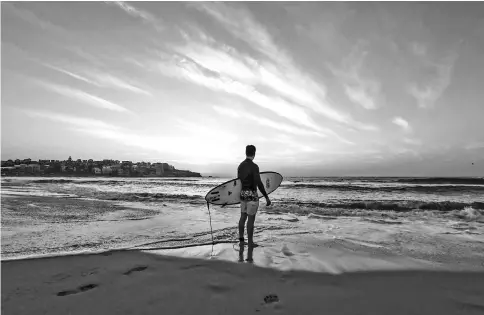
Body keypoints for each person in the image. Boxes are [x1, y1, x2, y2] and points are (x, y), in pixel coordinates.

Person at [237, 145, 271, 248]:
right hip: (252, 195)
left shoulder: (240, 166)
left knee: (243, 217)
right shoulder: (254, 166)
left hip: (243, 195)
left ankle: (242, 240)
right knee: (251, 220)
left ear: (246, 152)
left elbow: (239, 182)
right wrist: (266, 197)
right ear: (254, 153)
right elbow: (259, 183)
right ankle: (250, 243)